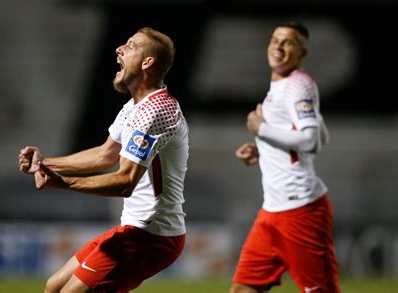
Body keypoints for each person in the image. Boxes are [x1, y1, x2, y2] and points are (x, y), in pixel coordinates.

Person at [18, 27, 189, 293]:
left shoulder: (156, 110)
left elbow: (125, 182)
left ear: (147, 62)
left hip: (152, 236)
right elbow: (104, 155)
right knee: (54, 286)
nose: (119, 48)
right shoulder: (135, 107)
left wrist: (63, 183)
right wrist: (45, 163)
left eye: (131, 46)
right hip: (134, 230)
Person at [231, 21, 340, 293]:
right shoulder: (281, 87)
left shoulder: (297, 85)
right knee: (243, 289)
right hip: (272, 211)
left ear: (302, 52)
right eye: (275, 40)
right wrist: (262, 148)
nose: (278, 46)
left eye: (288, 42)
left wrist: (262, 129)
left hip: (300, 210)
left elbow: (310, 139)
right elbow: (321, 134)